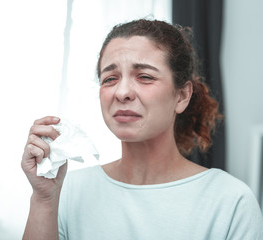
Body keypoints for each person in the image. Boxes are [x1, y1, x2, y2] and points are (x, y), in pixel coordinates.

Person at [21, 19, 263, 240]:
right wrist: (43, 200)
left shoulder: (230, 201)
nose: (122, 92)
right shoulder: (68, 190)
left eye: (145, 76)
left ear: (182, 95)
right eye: (110, 79)